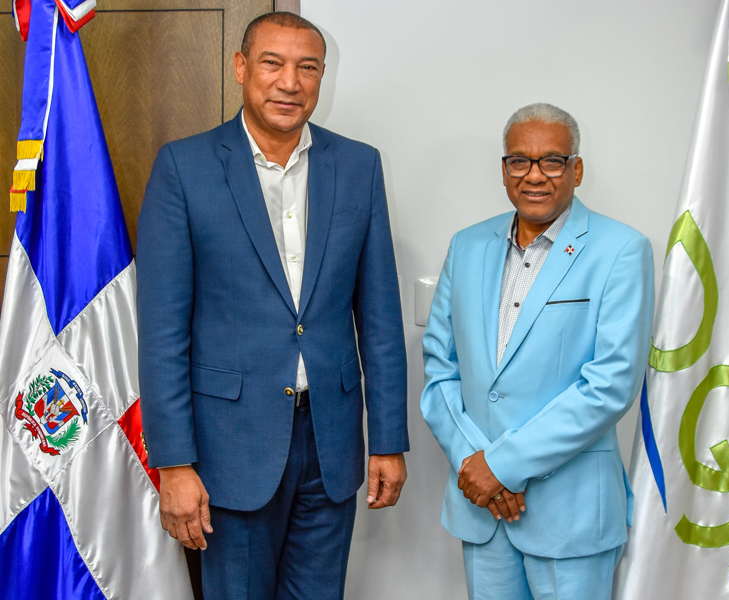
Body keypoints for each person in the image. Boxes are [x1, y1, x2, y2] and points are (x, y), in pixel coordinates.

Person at [136, 12, 408, 600]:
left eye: (307, 67)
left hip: (330, 442)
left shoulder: (359, 166)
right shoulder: (184, 168)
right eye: (272, 63)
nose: (290, 82)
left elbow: (381, 319)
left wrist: (388, 438)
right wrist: (175, 464)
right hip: (228, 447)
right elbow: (162, 333)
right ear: (240, 69)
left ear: (322, 78)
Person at [421, 103, 655, 600]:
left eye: (552, 161)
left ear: (577, 169)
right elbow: (440, 368)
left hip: (570, 515)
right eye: (519, 161)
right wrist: (475, 465)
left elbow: (610, 385)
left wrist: (502, 465)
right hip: (481, 506)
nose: (535, 175)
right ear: (503, 169)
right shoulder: (467, 245)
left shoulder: (621, 249)